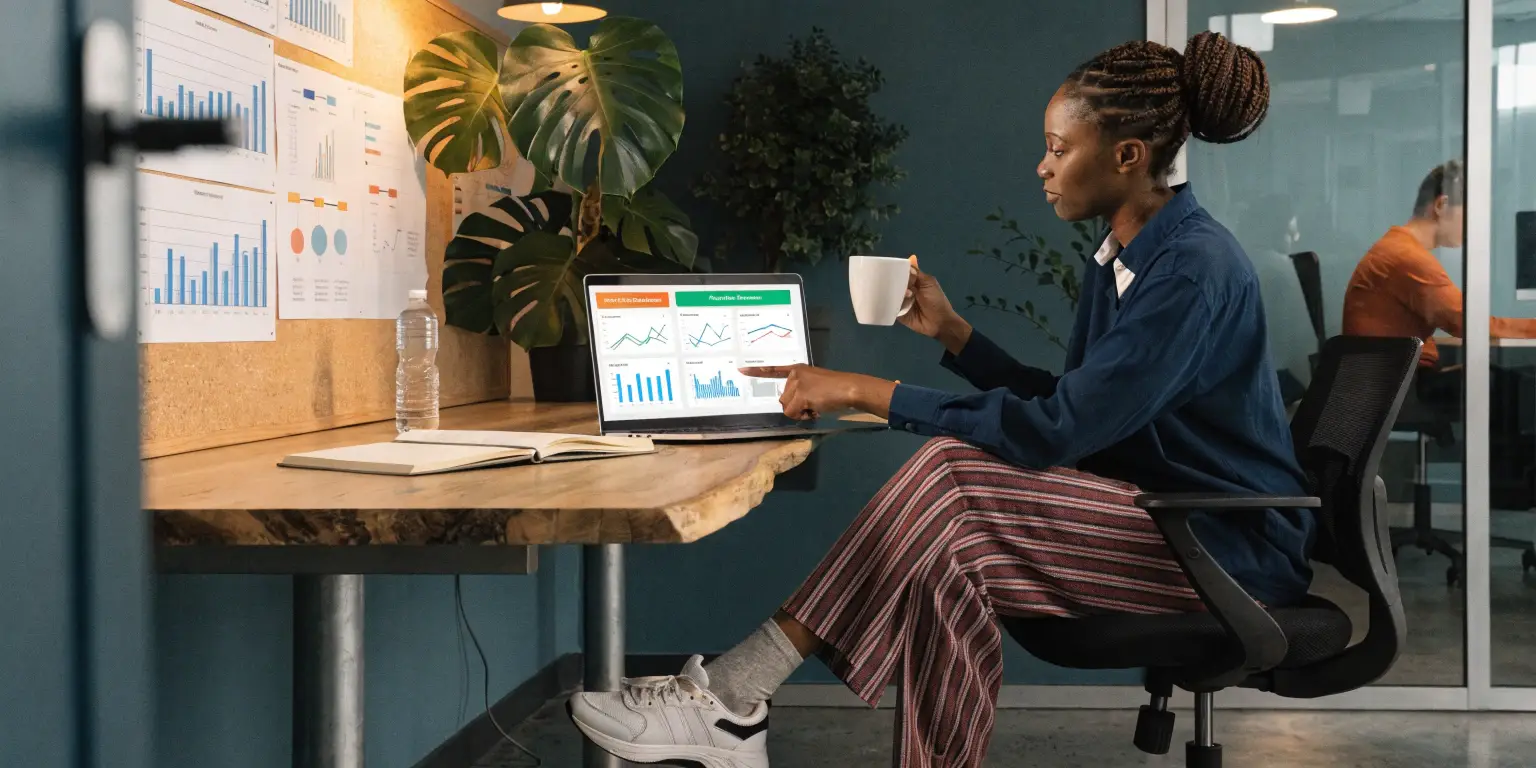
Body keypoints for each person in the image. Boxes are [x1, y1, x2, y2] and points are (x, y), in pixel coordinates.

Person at [567, 32, 1308, 768]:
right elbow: (1081, 412)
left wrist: (866, 390)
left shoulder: (1191, 270)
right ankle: (748, 714)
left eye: (1058, 148)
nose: (1042, 167)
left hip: (1222, 548)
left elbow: (1056, 433)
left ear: (1126, 156)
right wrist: (957, 337)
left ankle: (734, 696)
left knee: (951, 476)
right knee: (948, 562)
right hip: (1157, 515)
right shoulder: (1124, 254)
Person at [1343, 160, 1536, 372]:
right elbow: (1467, 322)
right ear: (1441, 206)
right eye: (1472, 214)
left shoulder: (1396, 247)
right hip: (1401, 387)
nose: (1476, 226)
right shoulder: (1407, 257)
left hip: (1393, 380)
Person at [1238, 194, 1319, 401]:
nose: (1297, 237)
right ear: (1275, 230)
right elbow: (1301, 346)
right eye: (1291, 231)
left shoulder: (1235, 261)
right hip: (1272, 386)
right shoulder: (1280, 268)